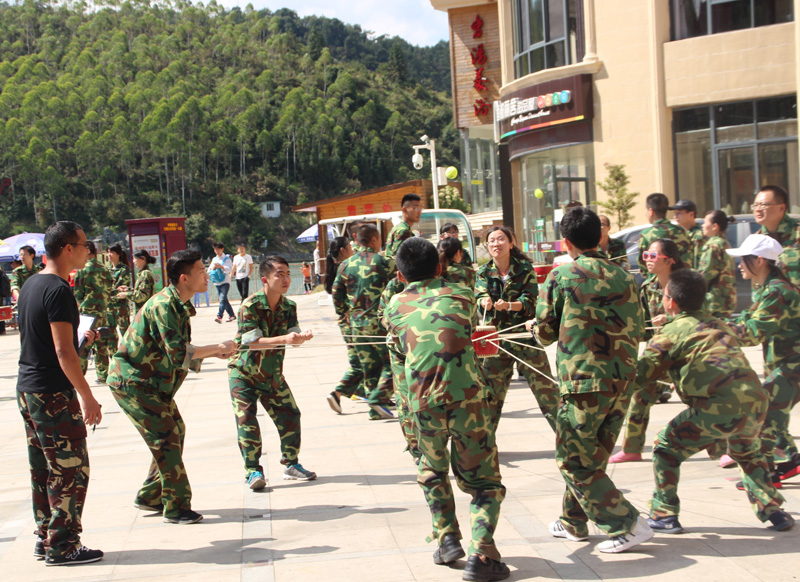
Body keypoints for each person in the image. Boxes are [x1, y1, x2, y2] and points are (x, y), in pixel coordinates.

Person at [383, 237, 509, 582]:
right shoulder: (463, 295)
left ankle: (447, 537)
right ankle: (482, 553)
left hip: (423, 402)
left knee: (432, 470)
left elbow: (400, 351)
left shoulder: (394, 305)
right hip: (468, 399)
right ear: (439, 268)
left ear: (400, 275)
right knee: (483, 481)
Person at [531, 206, 652, 553]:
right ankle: (573, 521)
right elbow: (640, 330)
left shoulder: (561, 276)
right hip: (622, 379)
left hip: (584, 383)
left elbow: (544, 333)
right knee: (593, 456)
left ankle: (627, 523)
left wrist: (536, 326)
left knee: (573, 460)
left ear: (566, 242)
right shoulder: (626, 277)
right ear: (600, 237)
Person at [635, 269, 793, 534]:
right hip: (755, 400)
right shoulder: (718, 323)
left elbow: (641, 375)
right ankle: (774, 511)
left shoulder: (670, 333)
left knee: (665, 447)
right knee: (748, 453)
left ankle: (664, 514)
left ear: (671, 301)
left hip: (719, 405)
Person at [107, 250, 235, 524]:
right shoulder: (165, 305)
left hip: (150, 384)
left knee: (175, 430)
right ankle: (176, 506)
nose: (207, 276)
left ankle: (150, 496)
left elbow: (176, 352)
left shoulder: (178, 305)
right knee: (166, 436)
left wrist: (214, 352)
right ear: (184, 278)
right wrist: (217, 348)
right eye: (201, 271)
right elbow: (178, 353)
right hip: (134, 382)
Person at [16, 221, 104, 565]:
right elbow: (62, 352)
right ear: (68, 249)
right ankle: (63, 545)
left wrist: (82, 341)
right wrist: (87, 395)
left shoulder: (31, 284)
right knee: (70, 469)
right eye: (84, 245)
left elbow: (44, 342)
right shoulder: (58, 290)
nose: (88, 252)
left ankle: (46, 536)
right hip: (53, 393)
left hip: (29, 389)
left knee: (42, 468)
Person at [228, 256, 316, 490]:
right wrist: (285, 339)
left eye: (287, 274)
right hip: (244, 373)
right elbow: (252, 343)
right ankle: (253, 471)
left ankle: (291, 464)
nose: (286, 279)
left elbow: (293, 336)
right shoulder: (250, 306)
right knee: (247, 421)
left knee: (290, 415)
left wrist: (302, 337)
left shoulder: (289, 306)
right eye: (279, 274)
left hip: (272, 374)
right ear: (265, 279)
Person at [726, 234, 800, 484]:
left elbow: (752, 333)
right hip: (787, 365)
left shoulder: (778, 291)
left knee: (762, 413)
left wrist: (716, 330)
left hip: (794, 366)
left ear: (759, 260)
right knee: (773, 414)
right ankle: (790, 461)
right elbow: (746, 319)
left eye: (743, 260)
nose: (739, 265)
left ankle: (764, 477)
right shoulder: (769, 288)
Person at [610, 239, 686, 464]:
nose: (648, 261)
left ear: (669, 260)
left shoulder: (687, 284)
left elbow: (699, 317)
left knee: (702, 401)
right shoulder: (647, 287)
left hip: (687, 353)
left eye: (653, 256)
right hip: (659, 354)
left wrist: (671, 320)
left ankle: (725, 449)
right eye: (646, 256)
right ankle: (632, 449)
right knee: (639, 396)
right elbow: (642, 328)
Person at [475, 226, 558, 431]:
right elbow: (479, 295)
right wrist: (484, 301)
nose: (496, 244)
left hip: (525, 338)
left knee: (547, 393)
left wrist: (509, 306)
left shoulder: (524, 268)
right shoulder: (484, 272)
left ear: (511, 243)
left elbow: (531, 301)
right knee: (490, 398)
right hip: (496, 341)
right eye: (492, 240)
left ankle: (569, 439)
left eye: (501, 239)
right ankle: (484, 443)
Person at [332, 224, 395, 420]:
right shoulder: (384, 262)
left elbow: (336, 294)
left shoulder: (345, 265)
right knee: (393, 362)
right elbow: (399, 284)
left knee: (369, 368)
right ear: (374, 240)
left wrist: (345, 314)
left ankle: (375, 411)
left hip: (356, 326)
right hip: (378, 324)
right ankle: (378, 398)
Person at [324, 237, 365, 413]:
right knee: (360, 362)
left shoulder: (342, 267)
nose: (352, 248)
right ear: (342, 250)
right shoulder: (345, 268)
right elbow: (337, 297)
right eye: (349, 246)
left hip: (351, 321)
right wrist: (346, 313)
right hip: (351, 323)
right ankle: (337, 393)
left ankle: (363, 391)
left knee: (363, 360)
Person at [72, 241, 113, 383]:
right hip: (103, 312)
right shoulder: (104, 268)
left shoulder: (82, 270)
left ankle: (79, 376)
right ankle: (103, 375)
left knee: (84, 346)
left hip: (87, 314)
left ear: (88, 251)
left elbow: (78, 294)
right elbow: (109, 289)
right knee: (101, 345)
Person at [637, 193, 692, 273]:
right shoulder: (682, 231)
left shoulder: (647, 234)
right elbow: (689, 258)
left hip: (658, 279)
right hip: (682, 277)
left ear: (651, 211)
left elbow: (643, 263)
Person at [698, 210, 736, 318]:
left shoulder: (713, 245)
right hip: (725, 300)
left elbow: (706, 274)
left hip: (714, 302)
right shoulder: (724, 243)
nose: (702, 225)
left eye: (705, 222)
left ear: (715, 226)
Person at [384, 193, 422, 262]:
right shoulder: (403, 230)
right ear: (404, 209)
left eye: (420, 208)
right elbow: (399, 258)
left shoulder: (399, 227)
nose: (419, 212)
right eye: (415, 208)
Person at [669, 199, 706, 268]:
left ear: (691, 214)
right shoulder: (679, 233)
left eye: (679, 213)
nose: (675, 216)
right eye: (675, 213)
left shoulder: (698, 236)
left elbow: (697, 263)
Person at [117, 249, 156, 314]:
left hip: (144, 313)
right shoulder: (143, 273)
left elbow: (142, 296)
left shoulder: (145, 274)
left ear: (143, 258)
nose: (133, 261)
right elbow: (141, 291)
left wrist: (126, 294)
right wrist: (128, 289)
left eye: (135, 258)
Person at [106, 243, 132, 338]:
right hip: (109, 307)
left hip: (121, 307)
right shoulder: (107, 270)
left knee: (126, 334)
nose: (109, 255)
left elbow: (120, 287)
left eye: (112, 252)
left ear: (118, 254)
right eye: (108, 252)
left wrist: (109, 292)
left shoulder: (124, 269)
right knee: (110, 334)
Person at [208, 242, 236, 323]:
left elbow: (230, 269)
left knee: (222, 299)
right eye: (215, 250)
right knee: (224, 300)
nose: (217, 251)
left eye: (218, 249)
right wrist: (213, 268)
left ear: (222, 249)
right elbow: (209, 270)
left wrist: (221, 267)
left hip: (225, 281)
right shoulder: (214, 259)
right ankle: (232, 315)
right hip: (217, 282)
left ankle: (219, 316)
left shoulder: (227, 259)